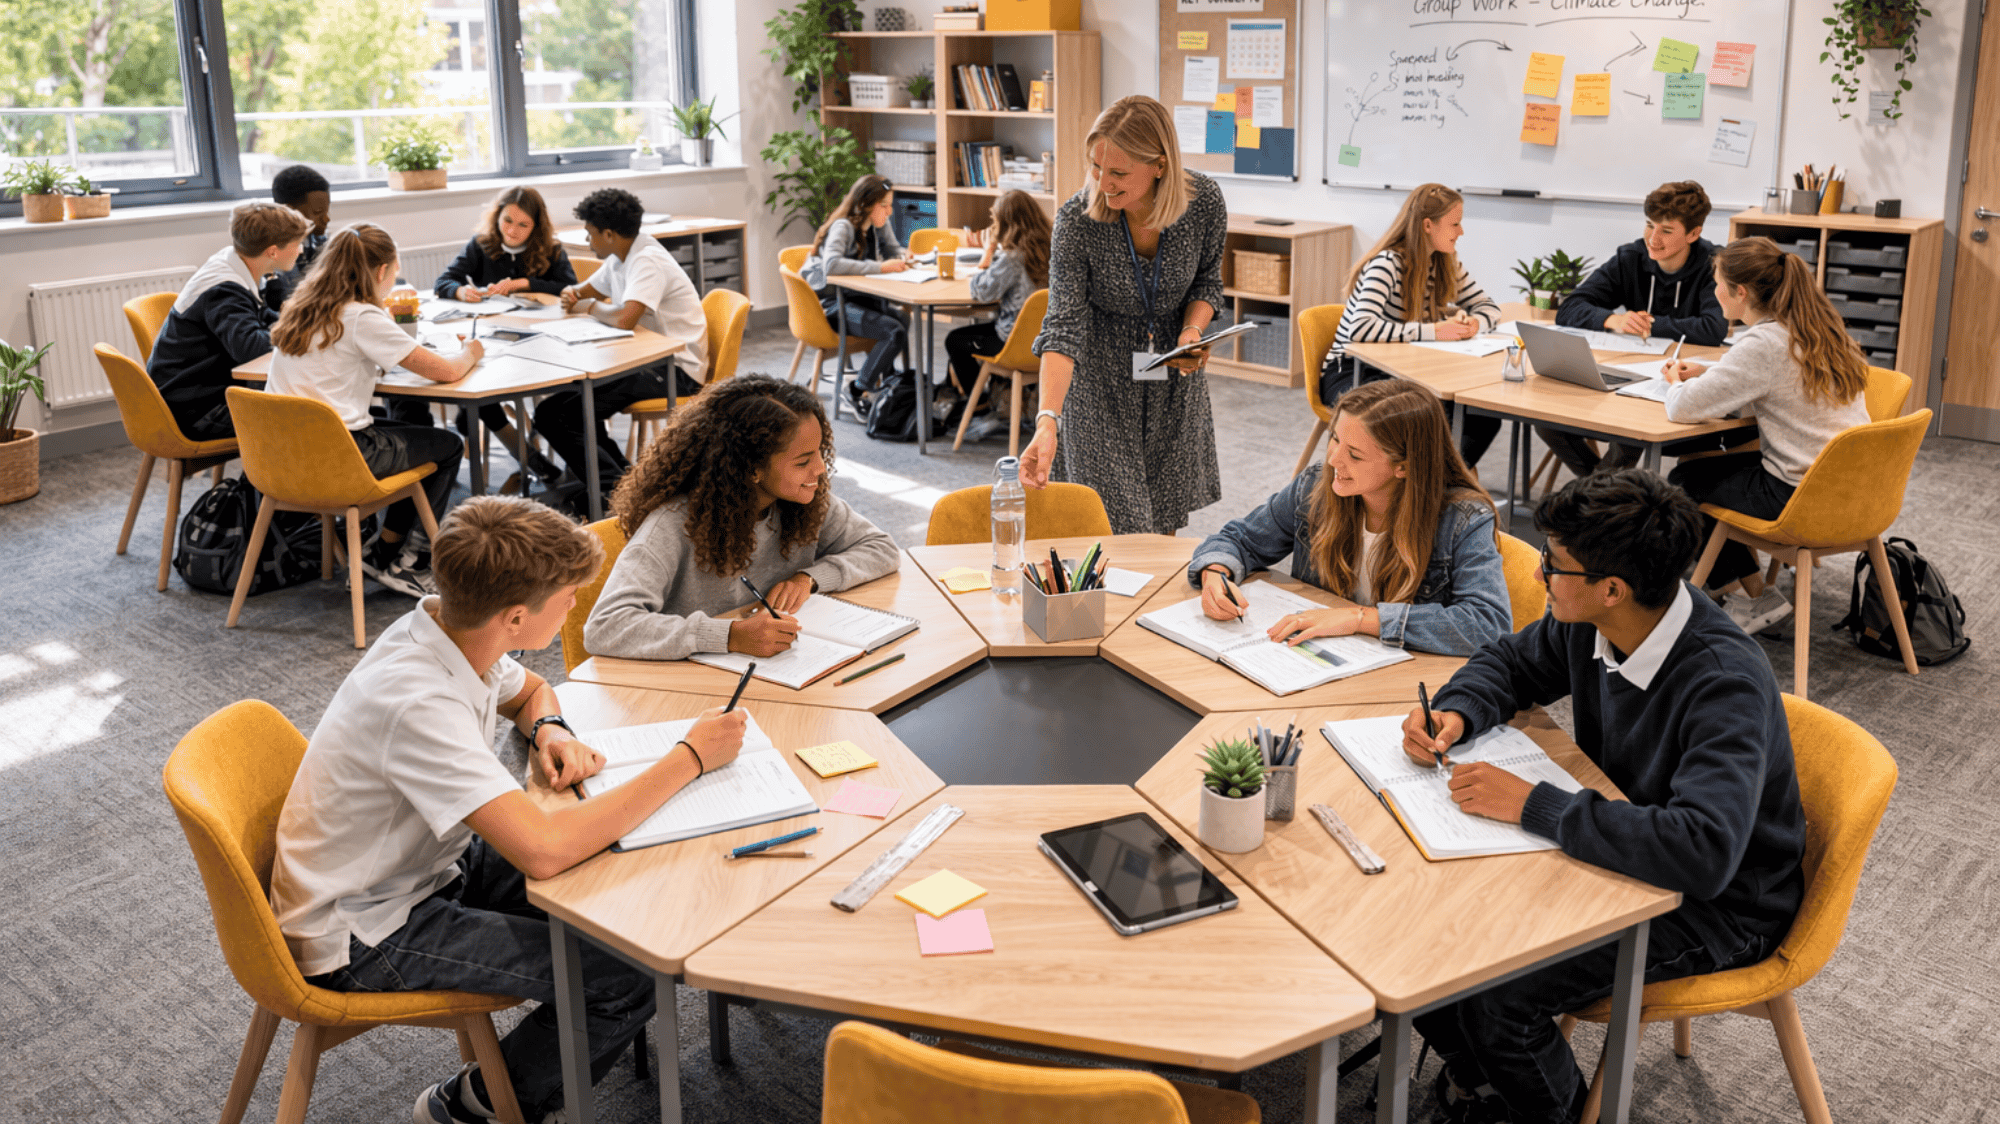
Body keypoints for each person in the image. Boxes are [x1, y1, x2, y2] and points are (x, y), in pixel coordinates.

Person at [270, 495, 749, 1124]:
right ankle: (478, 1105)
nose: (576, 602)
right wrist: (688, 757)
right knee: (625, 972)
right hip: (366, 929)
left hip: (419, 868)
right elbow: (543, 849)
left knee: (618, 895)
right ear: (517, 618)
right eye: (569, 595)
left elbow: (529, 689)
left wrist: (550, 728)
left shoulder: (447, 629)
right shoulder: (417, 703)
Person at [1402, 470, 1804, 1124]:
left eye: (1552, 565)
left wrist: (1533, 806)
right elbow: (1509, 663)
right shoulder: (1596, 618)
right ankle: (1487, 1084)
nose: (1538, 579)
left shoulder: (1722, 683)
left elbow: (1702, 851)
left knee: (1497, 995)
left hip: (1718, 905)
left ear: (1611, 588)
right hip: (1617, 843)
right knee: (1430, 928)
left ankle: (1540, 1104)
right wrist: (1458, 710)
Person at [1021, 95, 1227, 535]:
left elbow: (1208, 282)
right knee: (1115, 529)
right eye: (1096, 167)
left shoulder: (1203, 201)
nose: (1102, 182)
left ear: (1159, 165)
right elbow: (1062, 326)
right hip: (1100, 387)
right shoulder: (1077, 221)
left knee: (1163, 526)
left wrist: (1193, 330)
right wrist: (1047, 421)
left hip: (1172, 378)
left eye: (1117, 172)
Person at [585, 375, 900, 662]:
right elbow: (605, 627)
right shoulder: (671, 525)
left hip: (772, 667)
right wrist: (730, 635)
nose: (820, 468)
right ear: (751, 469)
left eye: (820, 451)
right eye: (803, 460)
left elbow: (881, 548)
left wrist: (809, 578)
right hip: (692, 685)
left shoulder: (805, 501)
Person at [1187, 379, 1510, 656]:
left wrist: (1359, 619)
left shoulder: (1463, 520)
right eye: (1335, 439)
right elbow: (1240, 539)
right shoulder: (1316, 486)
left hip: (1403, 680)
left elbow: (1487, 624)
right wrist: (1216, 573)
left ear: (1404, 466)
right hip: (1319, 659)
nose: (1334, 459)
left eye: (1355, 454)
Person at [1660, 235, 1871, 635]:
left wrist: (1674, 380)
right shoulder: (1818, 327)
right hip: (1854, 491)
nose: (1715, 292)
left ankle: (1747, 595)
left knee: (1686, 479)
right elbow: (1776, 377)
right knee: (1711, 469)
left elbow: (1682, 408)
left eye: (1718, 284)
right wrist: (1713, 373)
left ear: (1740, 293)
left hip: (1797, 495)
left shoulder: (1763, 342)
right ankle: (1747, 590)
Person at [266, 223, 474, 598]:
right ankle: (411, 563)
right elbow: (447, 371)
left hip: (279, 457)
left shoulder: (301, 306)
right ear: (381, 272)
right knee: (446, 446)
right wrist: (472, 351)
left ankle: (382, 552)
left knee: (406, 430)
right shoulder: (362, 316)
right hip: (340, 456)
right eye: (394, 272)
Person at [1543, 180, 1728, 477]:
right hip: (1630, 372)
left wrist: (1651, 324)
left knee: (1629, 432)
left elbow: (1713, 328)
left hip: (1678, 381)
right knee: (1547, 418)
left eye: (1666, 231)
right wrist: (1613, 320)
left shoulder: (1712, 265)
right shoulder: (1630, 258)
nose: (1653, 239)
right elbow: (1569, 308)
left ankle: (1596, 493)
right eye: (1649, 225)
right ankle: (1601, 487)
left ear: (1693, 233)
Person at [537, 187, 707, 501]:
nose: (588, 242)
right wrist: (574, 294)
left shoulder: (646, 261)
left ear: (610, 234)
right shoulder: (620, 256)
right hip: (644, 362)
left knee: (561, 415)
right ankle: (625, 485)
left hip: (675, 371)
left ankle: (616, 494)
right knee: (563, 407)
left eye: (590, 235)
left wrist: (586, 306)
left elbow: (626, 318)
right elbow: (586, 291)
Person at [1321, 183, 1504, 467]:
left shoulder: (1446, 263)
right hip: (1351, 373)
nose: (1461, 232)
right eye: (1455, 224)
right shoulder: (1388, 263)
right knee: (1429, 414)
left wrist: (1475, 322)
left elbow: (1489, 307)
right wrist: (1435, 332)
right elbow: (1361, 328)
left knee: (1482, 416)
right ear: (1428, 225)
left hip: (1405, 372)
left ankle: (1439, 487)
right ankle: (1426, 489)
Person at [433, 185, 577, 493]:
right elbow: (444, 281)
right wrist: (460, 291)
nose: (512, 230)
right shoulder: (483, 244)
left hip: (545, 344)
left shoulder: (550, 249)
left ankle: (534, 451)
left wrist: (524, 283)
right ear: (496, 217)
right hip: (494, 342)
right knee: (480, 393)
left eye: (523, 225)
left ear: (536, 226)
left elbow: (569, 288)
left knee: (489, 399)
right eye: (506, 221)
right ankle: (531, 458)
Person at [147, 201, 310, 440]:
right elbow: (251, 348)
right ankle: (256, 479)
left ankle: (262, 477)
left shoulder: (233, 263)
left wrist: (300, 325)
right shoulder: (224, 289)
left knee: (304, 404)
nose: (301, 250)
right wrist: (300, 331)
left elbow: (262, 319)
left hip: (195, 395)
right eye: (298, 244)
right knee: (309, 418)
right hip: (196, 410)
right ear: (273, 251)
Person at [943, 189, 1052, 433]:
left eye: (995, 220)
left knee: (955, 340)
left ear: (1006, 223)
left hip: (1013, 346)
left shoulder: (1012, 258)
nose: (993, 225)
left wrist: (989, 250)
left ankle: (980, 409)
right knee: (982, 332)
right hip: (1050, 344)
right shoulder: (1052, 249)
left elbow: (981, 292)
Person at [801, 174, 916, 401]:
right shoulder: (843, 227)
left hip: (860, 301)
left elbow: (893, 251)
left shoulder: (876, 224)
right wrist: (881, 268)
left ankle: (885, 380)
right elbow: (831, 265)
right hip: (835, 307)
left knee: (902, 320)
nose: (889, 211)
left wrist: (904, 257)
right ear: (865, 205)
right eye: (884, 206)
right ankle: (856, 390)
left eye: (890, 205)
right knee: (893, 331)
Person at [264, 164, 331, 311]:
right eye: (318, 212)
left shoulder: (320, 242)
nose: (327, 219)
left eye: (327, 211)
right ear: (289, 211)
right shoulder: (266, 255)